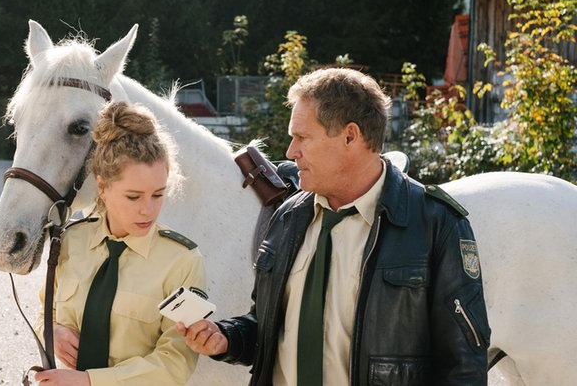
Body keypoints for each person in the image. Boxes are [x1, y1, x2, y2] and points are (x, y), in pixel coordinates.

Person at [177, 67, 490, 385]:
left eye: (302, 137)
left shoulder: (437, 225)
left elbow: (463, 367)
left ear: (350, 137)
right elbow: (267, 328)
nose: (290, 152)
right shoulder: (287, 218)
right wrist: (226, 338)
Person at [34, 101, 206, 385]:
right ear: (102, 186)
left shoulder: (184, 261)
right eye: (133, 196)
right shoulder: (70, 241)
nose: (148, 210)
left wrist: (90, 381)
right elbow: (45, 308)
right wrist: (51, 329)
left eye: (158, 194)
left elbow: (176, 361)